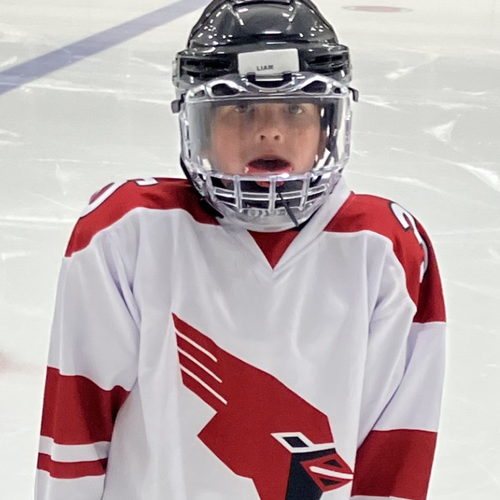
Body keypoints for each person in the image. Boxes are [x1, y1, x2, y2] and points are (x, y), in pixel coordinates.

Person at [35, 0, 446, 499]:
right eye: (241, 108)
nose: (270, 129)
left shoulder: (386, 249)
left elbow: (394, 453)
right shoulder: (128, 233)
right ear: (199, 125)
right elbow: (77, 433)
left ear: (328, 124)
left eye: (295, 108)